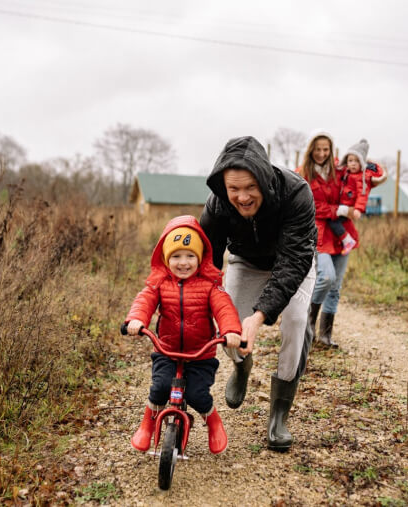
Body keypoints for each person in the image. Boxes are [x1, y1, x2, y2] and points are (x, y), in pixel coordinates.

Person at [200, 135, 317, 452]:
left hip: (293, 263)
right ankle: (241, 367)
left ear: (264, 179)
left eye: (250, 187)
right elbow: (207, 262)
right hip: (246, 261)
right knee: (229, 323)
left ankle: (279, 415)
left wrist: (260, 315)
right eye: (233, 189)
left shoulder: (296, 193)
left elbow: (294, 261)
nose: (242, 197)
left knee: (294, 322)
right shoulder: (218, 203)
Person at [124, 215, 242, 455]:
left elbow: (224, 308)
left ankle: (213, 422)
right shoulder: (159, 284)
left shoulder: (210, 285)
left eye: (190, 256)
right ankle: (147, 423)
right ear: (166, 259)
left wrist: (230, 331)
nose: (183, 262)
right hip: (166, 350)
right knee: (159, 388)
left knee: (198, 394)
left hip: (200, 354)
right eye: (176, 256)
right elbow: (144, 301)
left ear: (200, 258)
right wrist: (136, 320)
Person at [298, 133, 386, 347]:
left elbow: (371, 174)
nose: (321, 154)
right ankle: (307, 324)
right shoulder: (303, 174)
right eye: (317, 149)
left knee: (336, 286)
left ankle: (325, 334)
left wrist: (364, 156)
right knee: (326, 277)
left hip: (343, 234)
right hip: (320, 233)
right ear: (311, 150)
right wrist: (341, 209)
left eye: (325, 149)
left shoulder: (339, 169)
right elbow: (311, 206)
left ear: (331, 150)